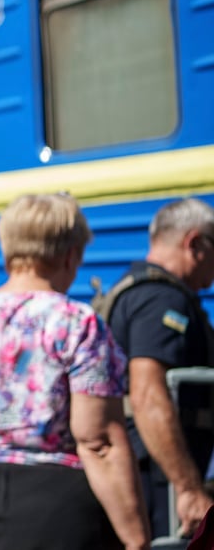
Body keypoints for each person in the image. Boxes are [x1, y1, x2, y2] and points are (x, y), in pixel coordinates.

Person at [0, 193, 150, 550]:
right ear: (70, 254)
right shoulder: (78, 324)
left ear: (9, 250)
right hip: (56, 505)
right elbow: (98, 442)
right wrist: (136, 536)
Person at [100, 197, 214, 540]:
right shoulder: (162, 300)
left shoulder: (134, 288)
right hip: (160, 475)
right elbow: (148, 395)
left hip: (152, 466)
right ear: (194, 244)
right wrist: (189, 488)